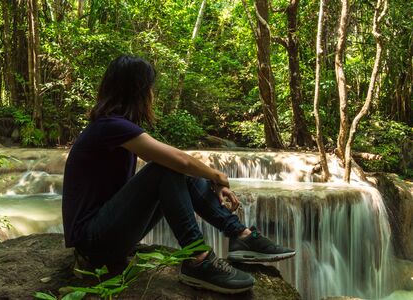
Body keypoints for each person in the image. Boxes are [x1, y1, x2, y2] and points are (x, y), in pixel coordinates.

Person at [62, 55, 295, 294]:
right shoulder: (110, 126)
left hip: (106, 236)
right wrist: (217, 176)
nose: (152, 95)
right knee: (166, 168)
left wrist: (205, 178)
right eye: (150, 88)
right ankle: (198, 258)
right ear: (138, 91)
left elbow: (180, 166)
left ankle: (240, 235)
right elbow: (180, 160)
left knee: (172, 169)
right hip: (93, 243)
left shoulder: (112, 126)